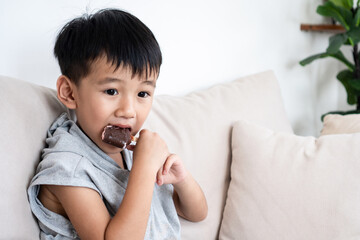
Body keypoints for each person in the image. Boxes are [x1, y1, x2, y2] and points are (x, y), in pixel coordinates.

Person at [27, 8, 207, 239]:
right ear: (70, 93)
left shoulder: (133, 152)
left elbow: (197, 213)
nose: (129, 111)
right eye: (111, 91)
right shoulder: (68, 166)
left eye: (143, 93)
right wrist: (143, 168)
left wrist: (181, 180)